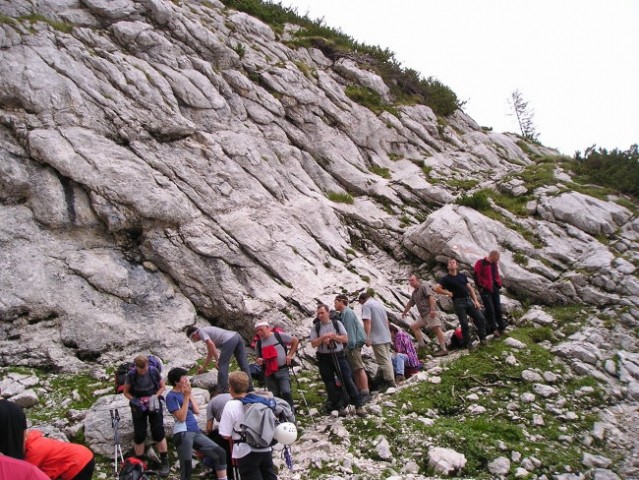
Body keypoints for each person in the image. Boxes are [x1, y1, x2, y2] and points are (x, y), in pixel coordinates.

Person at [0, 399, 94, 480]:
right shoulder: (35, 442)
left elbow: (27, 472)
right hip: (83, 456)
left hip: (79, 462)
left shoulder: (34, 450)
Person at [165, 368, 228, 480]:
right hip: (183, 432)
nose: (186, 379)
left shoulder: (185, 392)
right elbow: (181, 417)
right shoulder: (171, 396)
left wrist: (189, 394)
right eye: (183, 377)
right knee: (187, 466)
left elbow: (197, 410)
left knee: (220, 453)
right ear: (176, 382)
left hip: (195, 430)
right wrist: (186, 398)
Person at [218, 372, 277, 480]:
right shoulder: (259, 401)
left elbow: (225, 435)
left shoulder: (230, 405)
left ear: (230, 388)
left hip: (245, 451)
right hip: (265, 447)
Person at [310, 304, 366, 417]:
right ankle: (339, 405)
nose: (320, 315)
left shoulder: (336, 323)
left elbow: (345, 338)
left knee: (347, 379)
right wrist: (323, 337)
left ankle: (358, 405)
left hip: (339, 355)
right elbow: (313, 343)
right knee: (329, 383)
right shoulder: (316, 327)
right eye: (318, 313)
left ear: (327, 313)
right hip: (324, 358)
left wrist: (333, 337)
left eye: (322, 313)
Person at [122, 355, 170, 476]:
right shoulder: (131, 375)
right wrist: (134, 401)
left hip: (153, 401)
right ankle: (140, 463)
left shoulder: (153, 371)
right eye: (140, 369)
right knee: (139, 435)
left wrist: (156, 396)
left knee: (158, 432)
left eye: (144, 368)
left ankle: (165, 461)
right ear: (136, 367)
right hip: (138, 404)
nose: (143, 371)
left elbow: (162, 386)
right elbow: (126, 392)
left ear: (148, 364)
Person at [434, 258, 487, 349]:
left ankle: (483, 339)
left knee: (480, 318)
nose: (451, 264)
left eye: (453, 262)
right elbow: (436, 288)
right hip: (458, 302)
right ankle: (469, 344)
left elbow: (470, 289)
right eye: (450, 263)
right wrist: (448, 293)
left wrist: (476, 301)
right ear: (448, 266)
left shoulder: (462, 276)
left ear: (456, 265)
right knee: (464, 324)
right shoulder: (446, 279)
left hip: (468, 300)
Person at [186, 325, 254, 394]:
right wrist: (203, 368)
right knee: (244, 364)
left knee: (222, 365)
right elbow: (210, 352)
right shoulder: (207, 332)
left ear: (194, 334)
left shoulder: (201, 332)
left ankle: (223, 391)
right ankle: (250, 388)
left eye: (193, 339)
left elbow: (211, 345)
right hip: (237, 336)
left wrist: (217, 360)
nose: (195, 340)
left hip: (228, 340)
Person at [254, 321, 299, 410]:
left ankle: (290, 412)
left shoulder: (278, 336)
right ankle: (280, 413)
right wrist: (259, 360)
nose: (259, 332)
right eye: (257, 331)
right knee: (274, 394)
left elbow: (295, 341)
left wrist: (290, 355)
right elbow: (258, 357)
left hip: (282, 369)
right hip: (269, 372)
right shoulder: (258, 343)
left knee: (286, 391)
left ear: (268, 328)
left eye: (261, 330)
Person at [334, 294, 370, 401]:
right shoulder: (344, 314)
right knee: (355, 369)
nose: (334, 304)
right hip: (352, 345)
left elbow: (349, 331)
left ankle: (365, 391)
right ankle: (359, 391)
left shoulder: (347, 313)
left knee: (359, 368)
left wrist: (350, 345)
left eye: (336, 302)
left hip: (353, 345)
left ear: (341, 302)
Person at [401, 274, 449, 357]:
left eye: (412, 280)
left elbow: (431, 297)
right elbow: (410, 303)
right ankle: (423, 347)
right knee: (414, 326)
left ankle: (444, 349)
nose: (411, 282)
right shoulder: (414, 293)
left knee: (437, 329)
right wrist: (404, 312)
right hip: (423, 316)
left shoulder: (424, 286)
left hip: (430, 312)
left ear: (417, 280)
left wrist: (433, 309)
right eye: (410, 281)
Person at [358, 292, 395, 391]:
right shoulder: (379, 304)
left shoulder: (366, 305)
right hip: (385, 335)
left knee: (383, 361)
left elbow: (367, 322)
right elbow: (387, 321)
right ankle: (392, 381)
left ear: (362, 300)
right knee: (387, 359)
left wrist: (367, 337)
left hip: (377, 337)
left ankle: (390, 383)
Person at [474, 250, 506, 337]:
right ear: (493, 256)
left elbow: (496, 274)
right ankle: (494, 329)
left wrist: (498, 284)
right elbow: (476, 275)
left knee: (498, 308)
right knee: (490, 309)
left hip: (495, 288)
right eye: (497, 258)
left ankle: (502, 327)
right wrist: (481, 286)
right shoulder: (481, 263)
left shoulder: (494, 264)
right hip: (486, 290)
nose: (498, 260)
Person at [205, 385, 234, 480]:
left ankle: (219, 472)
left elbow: (209, 428)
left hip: (226, 431)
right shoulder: (230, 395)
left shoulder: (211, 403)